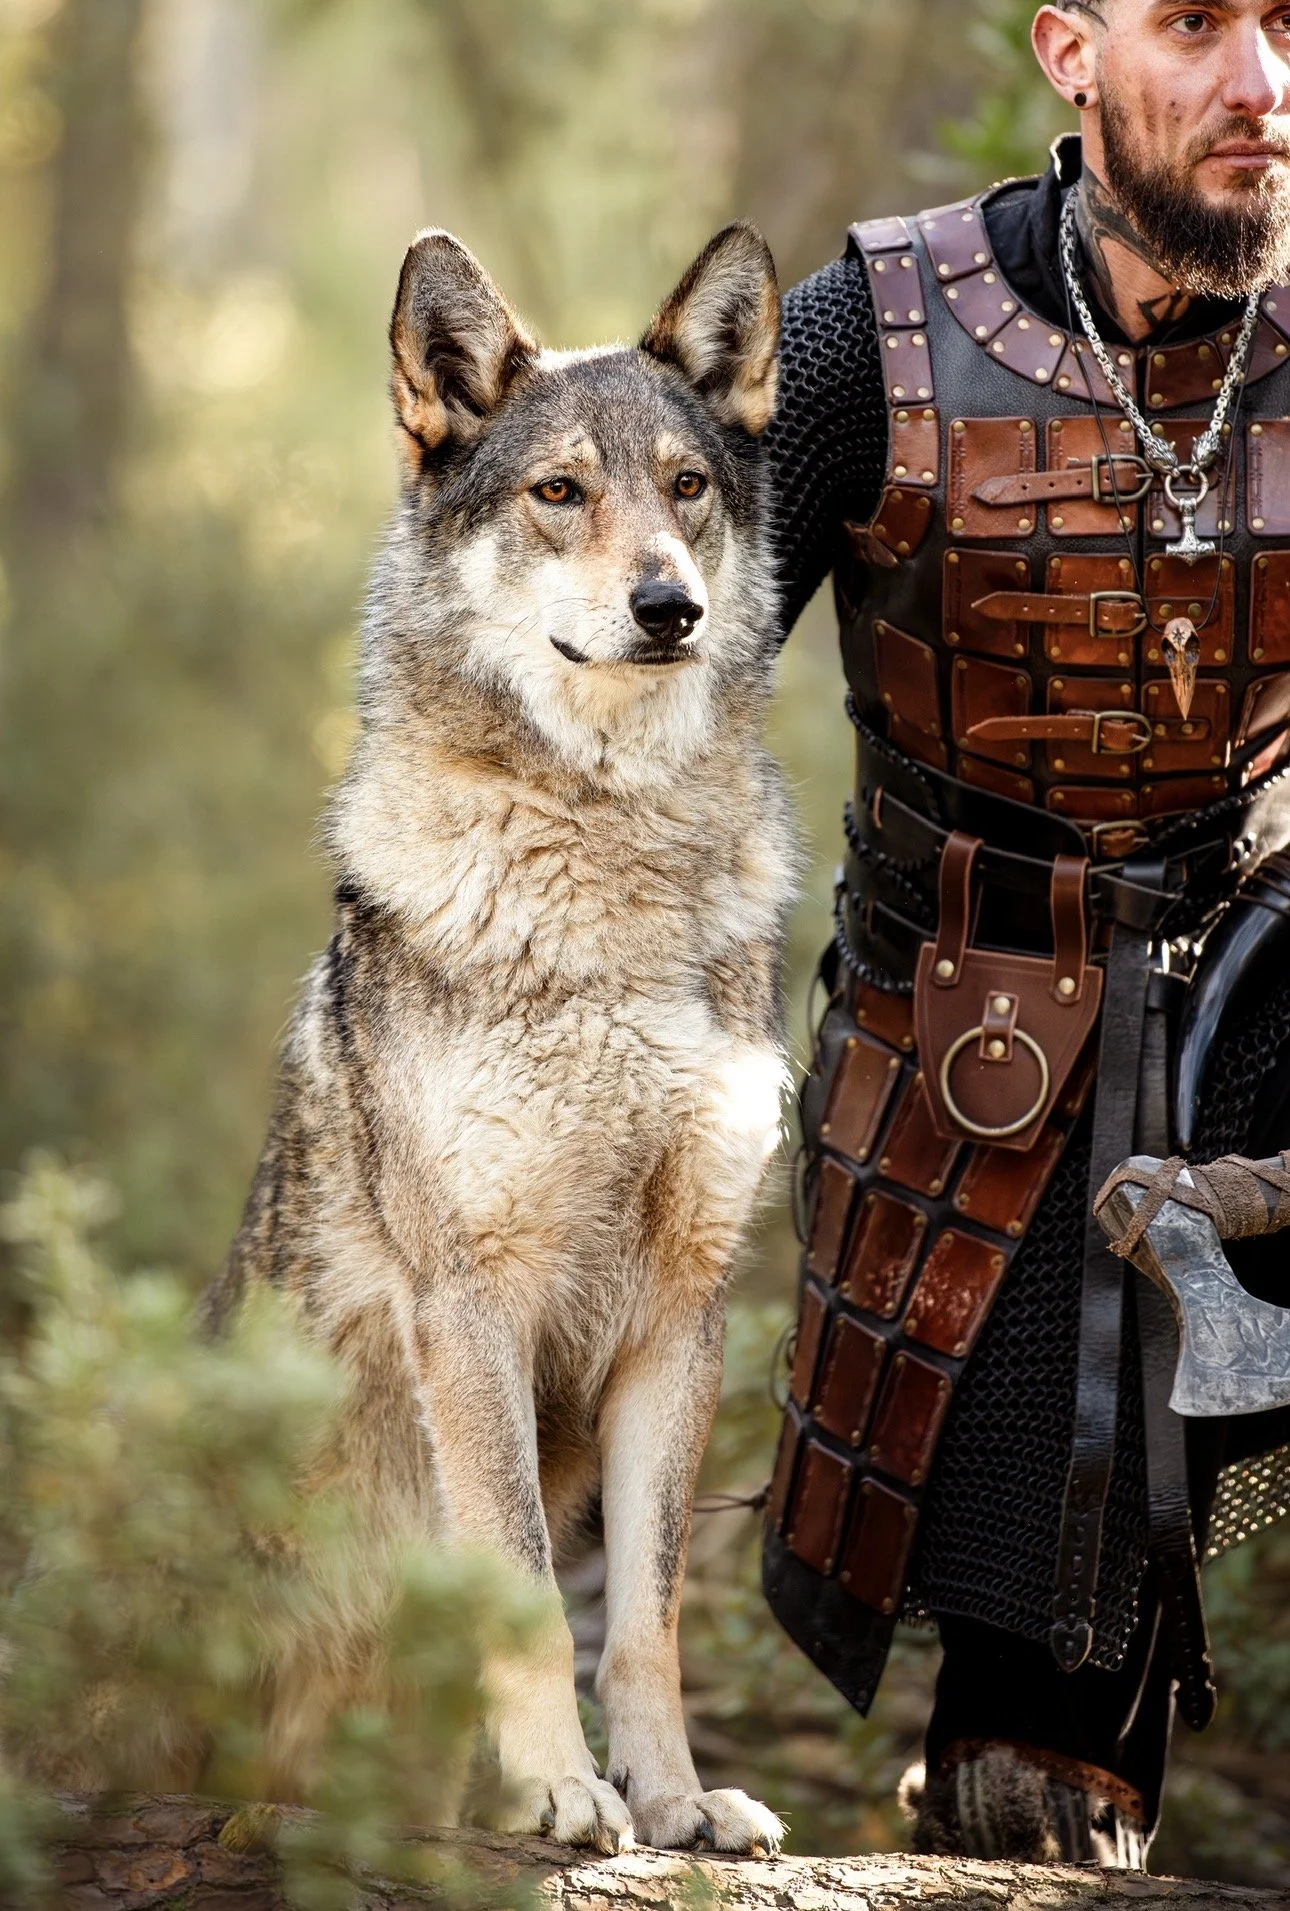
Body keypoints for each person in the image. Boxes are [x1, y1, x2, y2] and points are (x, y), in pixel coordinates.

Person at [762, 0, 1290, 1867]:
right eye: (1198, 24)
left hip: (1246, 1010)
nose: (1262, 87)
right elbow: (638, 698)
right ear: (1067, 50)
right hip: (962, 1059)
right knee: (1033, 1690)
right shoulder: (870, 340)